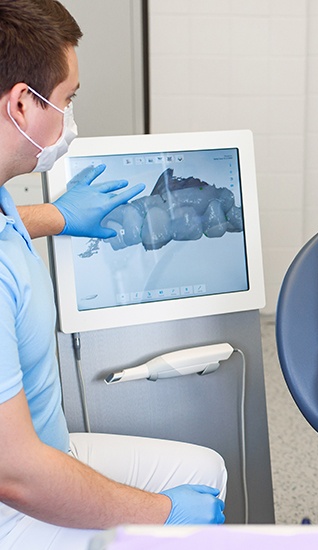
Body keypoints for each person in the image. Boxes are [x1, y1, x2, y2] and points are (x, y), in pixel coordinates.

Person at [0, 1, 226, 548]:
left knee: (206, 472)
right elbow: (16, 475)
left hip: (47, 449)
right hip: (15, 502)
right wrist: (160, 513)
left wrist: (58, 216)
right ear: (23, 104)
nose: (70, 119)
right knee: (182, 514)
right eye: (67, 99)